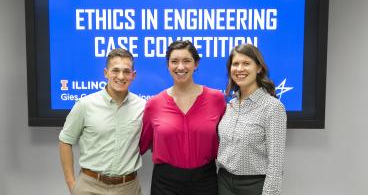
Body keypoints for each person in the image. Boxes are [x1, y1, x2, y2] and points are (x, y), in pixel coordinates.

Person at [140, 40, 226, 195]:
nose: (180, 67)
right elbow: (140, 145)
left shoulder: (217, 99)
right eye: (174, 61)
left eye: (187, 61)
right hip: (165, 183)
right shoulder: (154, 104)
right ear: (168, 65)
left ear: (196, 64)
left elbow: (230, 138)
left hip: (205, 180)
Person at [59, 48, 146, 195]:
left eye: (126, 71)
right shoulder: (85, 105)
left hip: (128, 188)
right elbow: (65, 141)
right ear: (106, 73)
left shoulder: (143, 107)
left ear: (133, 75)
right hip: (89, 186)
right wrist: (72, 184)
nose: (121, 76)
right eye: (115, 70)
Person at [217, 44, 287, 195]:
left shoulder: (273, 107)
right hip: (223, 183)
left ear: (259, 68)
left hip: (254, 186)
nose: (239, 69)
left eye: (246, 63)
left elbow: (276, 163)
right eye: (235, 64)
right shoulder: (230, 105)